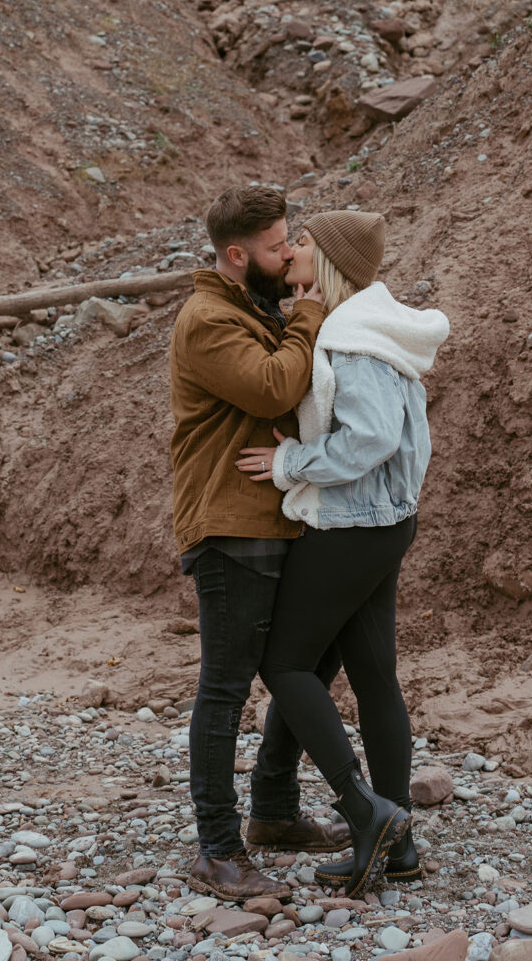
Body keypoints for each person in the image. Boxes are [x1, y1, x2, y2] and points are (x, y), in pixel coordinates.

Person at [236, 210, 449, 897]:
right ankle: (400, 846)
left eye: (301, 242)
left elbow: (371, 438)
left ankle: (366, 815)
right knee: (372, 674)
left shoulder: (352, 337)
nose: (290, 249)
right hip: (386, 520)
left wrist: (290, 461)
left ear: (327, 258)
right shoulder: (371, 326)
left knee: (284, 661)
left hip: (354, 523)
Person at [169, 186, 351, 903]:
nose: (290, 252)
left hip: (272, 520)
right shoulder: (209, 318)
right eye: (279, 246)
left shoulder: (249, 305)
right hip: (229, 525)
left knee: (303, 661)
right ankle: (216, 849)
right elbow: (275, 388)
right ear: (238, 255)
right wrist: (309, 311)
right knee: (224, 687)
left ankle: (272, 811)